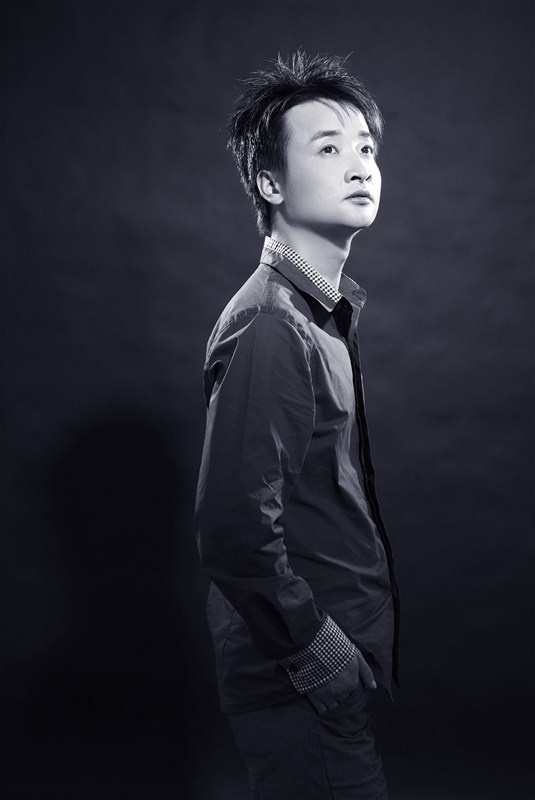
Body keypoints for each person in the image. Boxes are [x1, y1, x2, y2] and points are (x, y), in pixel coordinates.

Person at [195, 51, 400, 800]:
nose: (359, 165)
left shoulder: (317, 314)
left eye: (366, 148)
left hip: (323, 671)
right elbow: (233, 526)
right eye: (329, 148)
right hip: (297, 678)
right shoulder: (273, 324)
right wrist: (318, 653)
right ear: (270, 183)